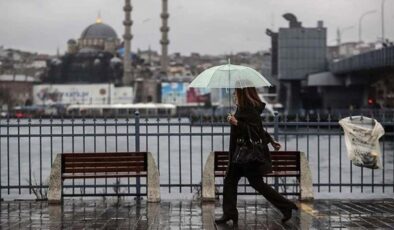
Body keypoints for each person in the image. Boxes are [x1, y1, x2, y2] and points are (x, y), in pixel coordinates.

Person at [215, 87, 298, 225]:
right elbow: (258, 129)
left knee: (256, 183)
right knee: (230, 180)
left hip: (247, 155)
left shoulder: (248, 109)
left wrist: (236, 123)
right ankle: (229, 213)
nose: (234, 94)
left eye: (236, 92)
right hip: (240, 154)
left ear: (242, 93)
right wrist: (271, 141)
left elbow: (253, 130)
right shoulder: (243, 108)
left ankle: (286, 206)